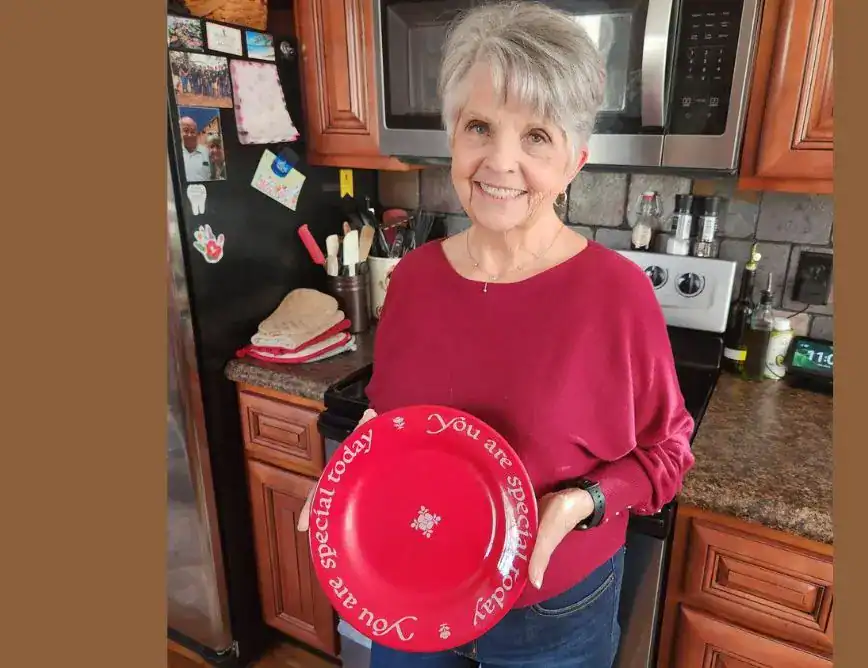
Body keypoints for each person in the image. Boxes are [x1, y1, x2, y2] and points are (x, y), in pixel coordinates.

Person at [296, 3, 694, 666]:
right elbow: (390, 418)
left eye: (536, 135)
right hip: (413, 582)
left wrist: (582, 503)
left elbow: (668, 453)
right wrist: (346, 474)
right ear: (453, 135)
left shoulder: (613, 294)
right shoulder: (418, 277)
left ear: (576, 160)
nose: (500, 162)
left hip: (551, 606)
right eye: (479, 126)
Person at [179, 116, 212, 182]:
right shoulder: (175, 154)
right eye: (185, 130)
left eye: (193, 131)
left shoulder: (207, 152)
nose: (189, 135)